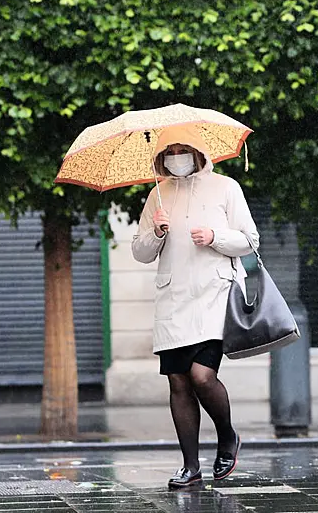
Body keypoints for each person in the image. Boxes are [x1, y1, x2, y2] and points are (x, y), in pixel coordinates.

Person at [131, 124, 260, 489]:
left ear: (199, 151)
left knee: (202, 376)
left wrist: (215, 237)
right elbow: (139, 252)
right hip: (173, 300)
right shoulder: (158, 194)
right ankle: (190, 465)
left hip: (213, 298)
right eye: (168, 154)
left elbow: (250, 240)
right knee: (178, 382)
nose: (176, 159)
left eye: (181, 151)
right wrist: (156, 232)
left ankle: (227, 436)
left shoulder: (226, 188)